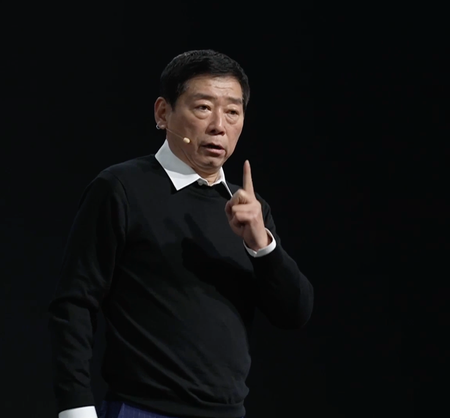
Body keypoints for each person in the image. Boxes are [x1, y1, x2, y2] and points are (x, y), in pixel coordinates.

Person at [47, 49, 314, 418]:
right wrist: (76, 408)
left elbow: (294, 314)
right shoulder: (121, 188)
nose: (219, 125)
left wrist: (261, 243)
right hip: (141, 409)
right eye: (203, 107)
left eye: (232, 112)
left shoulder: (249, 209)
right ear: (163, 113)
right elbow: (74, 304)